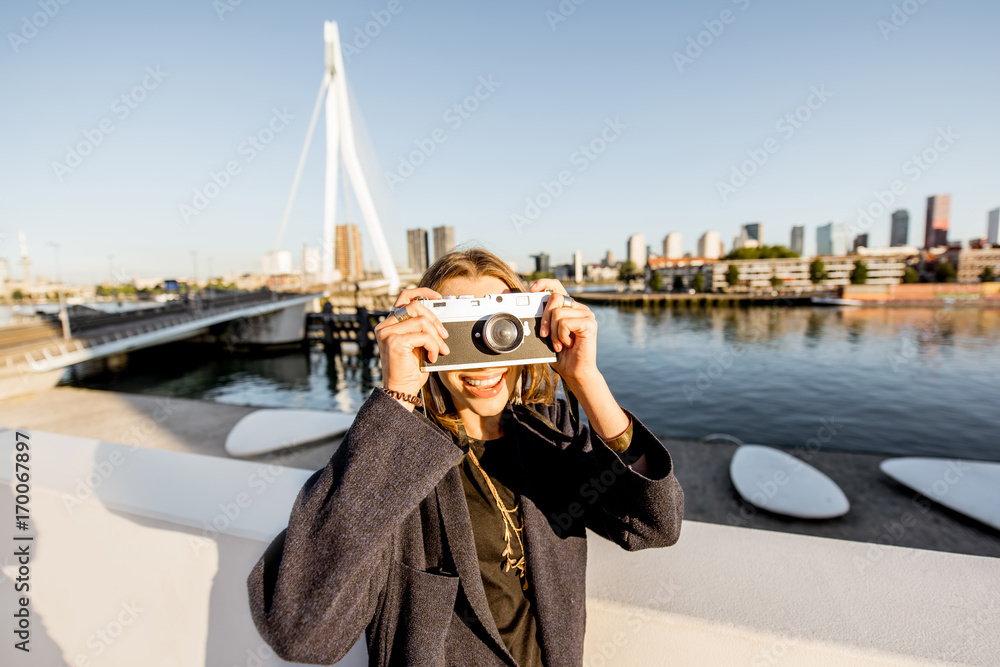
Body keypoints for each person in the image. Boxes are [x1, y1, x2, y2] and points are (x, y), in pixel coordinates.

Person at [247, 248, 684, 666]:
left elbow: (655, 525)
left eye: (500, 325)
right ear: (426, 332)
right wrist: (397, 395)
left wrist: (586, 379)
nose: (485, 350)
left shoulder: (547, 433)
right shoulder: (396, 461)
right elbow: (300, 631)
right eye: (462, 327)